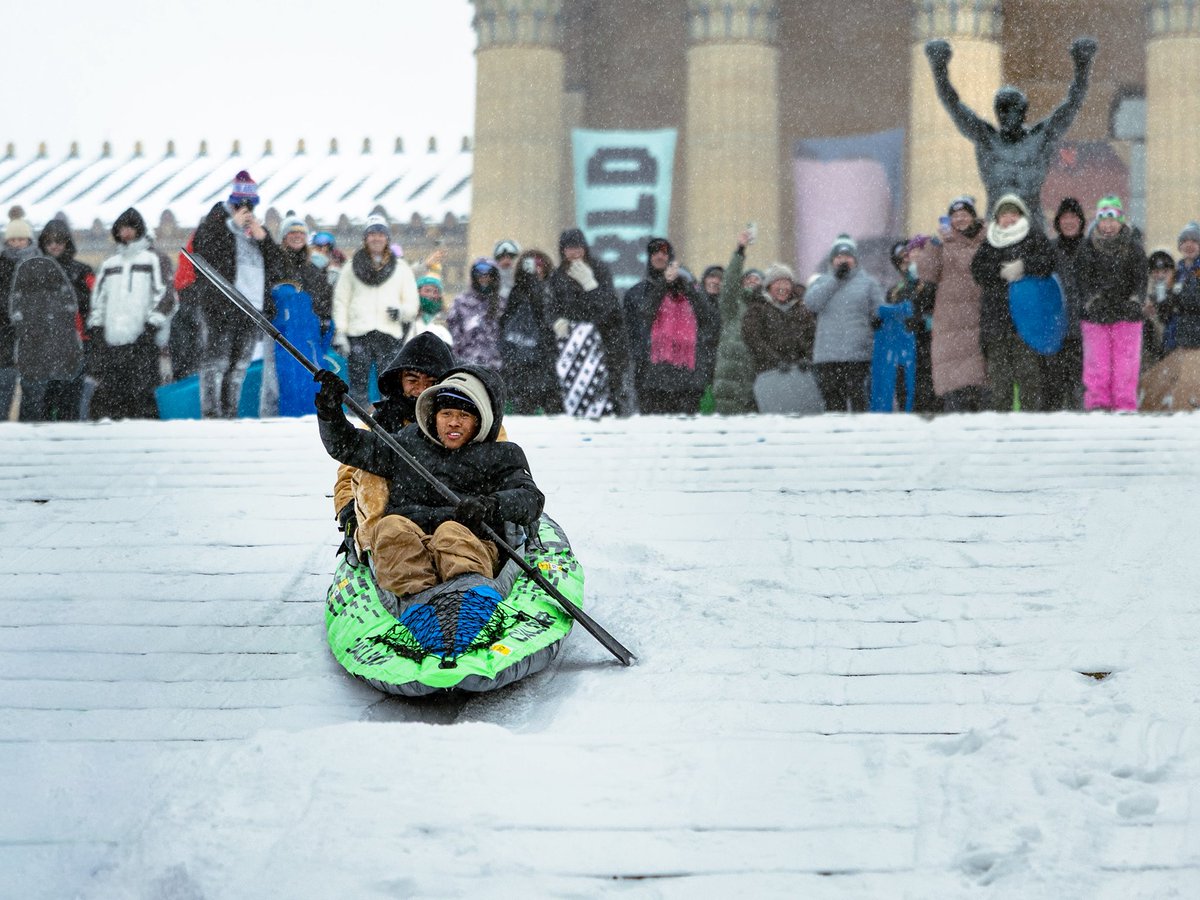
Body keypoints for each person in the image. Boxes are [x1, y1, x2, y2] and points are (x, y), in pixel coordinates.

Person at [315, 363, 544, 597]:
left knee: (450, 533)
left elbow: (531, 498)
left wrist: (490, 505)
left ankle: (466, 602)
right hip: (411, 543)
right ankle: (420, 605)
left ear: (480, 420)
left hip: (473, 544)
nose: (453, 422)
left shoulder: (501, 454)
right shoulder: (406, 445)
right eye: (446, 414)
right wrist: (329, 412)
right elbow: (348, 446)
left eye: (464, 415)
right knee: (390, 528)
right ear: (434, 416)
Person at [924, 36, 1097, 228]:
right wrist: (939, 67)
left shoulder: (1040, 138)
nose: (1006, 115)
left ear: (1023, 112)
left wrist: (1083, 65)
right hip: (997, 226)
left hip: (1033, 227)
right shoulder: (986, 139)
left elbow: (1072, 104)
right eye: (1001, 110)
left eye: (1012, 109)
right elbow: (953, 105)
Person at [331, 332, 456, 561]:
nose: (420, 390)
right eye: (413, 381)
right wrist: (349, 514)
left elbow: (498, 465)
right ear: (399, 381)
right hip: (397, 517)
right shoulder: (379, 422)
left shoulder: (469, 419)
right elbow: (349, 474)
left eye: (431, 383)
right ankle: (373, 550)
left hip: (455, 514)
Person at [192, 170, 284, 417]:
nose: (245, 210)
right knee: (216, 363)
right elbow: (203, 253)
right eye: (240, 205)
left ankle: (230, 412)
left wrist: (264, 239)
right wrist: (232, 226)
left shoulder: (257, 230)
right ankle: (212, 414)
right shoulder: (215, 223)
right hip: (223, 304)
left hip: (252, 307)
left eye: (250, 205)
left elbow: (278, 266)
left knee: (239, 367)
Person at [970, 193, 1056, 411]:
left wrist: (1024, 266)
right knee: (1000, 381)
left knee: (1029, 377)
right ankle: (1002, 425)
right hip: (996, 323)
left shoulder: (1034, 237)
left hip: (1027, 322)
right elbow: (978, 270)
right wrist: (999, 272)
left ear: (1022, 215)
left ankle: (1029, 423)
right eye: (1004, 215)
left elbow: (1048, 262)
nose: (1008, 219)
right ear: (997, 218)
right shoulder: (990, 242)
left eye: (1013, 214)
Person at [86, 208, 173, 420]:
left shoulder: (152, 260)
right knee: (112, 401)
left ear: (139, 230)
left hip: (142, 342)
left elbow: (166, 296)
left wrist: (151, 326)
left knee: (143, 400)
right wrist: (97, 328)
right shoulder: (110, 264)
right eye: (121, 228)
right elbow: (99, 300)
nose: (125, 233)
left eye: (130, 228)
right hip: (112, 343)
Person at [625, 237, 721, 414]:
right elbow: (644, 316)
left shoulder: (693, 291)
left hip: (689, 378)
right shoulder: (638, 292)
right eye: (655, 252)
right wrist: (664, 284)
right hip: (654, 378)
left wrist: (688, 286)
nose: (659, 256)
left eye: (664, 252)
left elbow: (708, 318)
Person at [331, 215, 419, 405]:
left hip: (389, 334)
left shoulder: (401, 268)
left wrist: (401, 312)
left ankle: (389, 421)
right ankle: (357, 420)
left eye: (381, 234)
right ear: (365, 238)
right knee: (357, 388)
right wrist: (340, 332)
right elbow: (341, 302)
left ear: (387, 238)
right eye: (372, 234)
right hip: (358, 334)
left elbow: (412, 303)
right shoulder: (350, 267)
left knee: (389, 388)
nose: (376, 238)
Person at [545, 228, 631, 417]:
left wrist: (591, 285)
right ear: (563, 251)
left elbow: (610, 308)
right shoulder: (557, 276)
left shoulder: (600, 270)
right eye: (569, 248)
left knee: (603, 393)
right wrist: (556, 321)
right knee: (574, 391)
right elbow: (550, 306)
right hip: (571, 345)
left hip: (603, 342)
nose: (574, 253)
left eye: (578, 247)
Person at [1073, 196, 1146, 412]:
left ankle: (1125, 405)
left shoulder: (1134, 248)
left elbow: (1141, 279)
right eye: (1103, 219)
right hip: (1096, 316)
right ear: (1098, 221)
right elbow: (1082, 279)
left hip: (1127, 316)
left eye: (1113, 219)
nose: (1108, 224)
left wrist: (1135, 301)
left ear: (1121, 221)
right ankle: (1098, 405)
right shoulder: (1087, 248)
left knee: (1126, 366)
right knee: (1097, 364)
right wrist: (1091, 301)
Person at [918, 196, 988, 412]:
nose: (960, 219)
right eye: (955, 216)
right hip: (950, 328)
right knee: (956, 393)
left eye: (964, 214)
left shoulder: (987, 240)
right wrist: (935, 244)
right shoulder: (941, 245)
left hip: (979, 323)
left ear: (974, 217)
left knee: (982, 391)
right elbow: (926, 272)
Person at [803, 234, 886, 412]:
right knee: (834, 405)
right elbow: (811, 304)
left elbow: (879, 311)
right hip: (828, 355)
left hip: (858, 355)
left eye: (848, 256)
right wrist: (835, 279)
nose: (843, 260)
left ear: (855, 259)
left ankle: (860, 430)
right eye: (839, 256)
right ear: (832, 260)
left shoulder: (868, 283)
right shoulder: (822, 281)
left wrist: (877, 320)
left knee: (858, 401)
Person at [24, 219, 94, 421]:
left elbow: (96, 302)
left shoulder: (82, 270)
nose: (54, 245)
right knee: (45, 398)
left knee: (71, 397)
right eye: (49, 241)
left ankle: (69, 435)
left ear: (66, 243)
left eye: (59, 241)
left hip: (75, 342)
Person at [499, 249, 562, 414]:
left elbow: (549, 315)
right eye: (532, 265)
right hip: (521, 353)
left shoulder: (554, 288)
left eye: (540, 264)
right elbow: (508, 320)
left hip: (547, 352)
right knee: (523, 396)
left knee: (548, 394)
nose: (537, 269)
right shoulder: (518, 290)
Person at [742, 263, 816, 396]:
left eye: (787, 283)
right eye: (778, 282)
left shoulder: (801, 309)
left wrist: (806, 358)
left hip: (800, 373)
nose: (783, 287)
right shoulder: (757, 308)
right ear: (769, 285)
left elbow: (811, 337)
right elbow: (752, 337)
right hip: (769, 374)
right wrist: (775, 360)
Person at [711, 229, 761, 414]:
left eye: (757, 279)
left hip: (753, 383)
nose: (753, 282)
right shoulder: (732, 306)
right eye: (749, 278)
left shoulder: (765, 310)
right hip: (728, 383)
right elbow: (729, 283)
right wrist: (740, 251)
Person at [1046, 197, 1088, 409]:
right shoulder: (1049, 249)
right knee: (1053, 387)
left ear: (1081, 221)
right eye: (1064, 217)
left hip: (1085, 330)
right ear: (1058, 222)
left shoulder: (1091, 249)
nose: (1069, 222)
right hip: (1056, 330)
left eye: (1073, 217)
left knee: (1081, 388)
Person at [0, 209, 38, 420]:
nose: (16, 244)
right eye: (12, 240)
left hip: (33, 336)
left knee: (32, 391)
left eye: (21, 239)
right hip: (4, 336)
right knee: (3, 387)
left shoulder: (40, 265)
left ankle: (29, 429)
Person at [447, 257, 505, 371]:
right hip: (466, 364)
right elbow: (454, 334)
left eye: (488, 275)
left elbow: (505, 336)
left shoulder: (502, 304)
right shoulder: (460, 302)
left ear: (494, 278)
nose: (484, 279)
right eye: (480, 275)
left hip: (495, 366)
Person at [1141, 250, 1174, 370]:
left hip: (1172, 349)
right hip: (1151, 354)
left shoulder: (1179, 291)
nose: (1160, 276)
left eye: (1165, 271)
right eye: (1156, 272)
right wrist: (1145, 312)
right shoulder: (1144, 293)